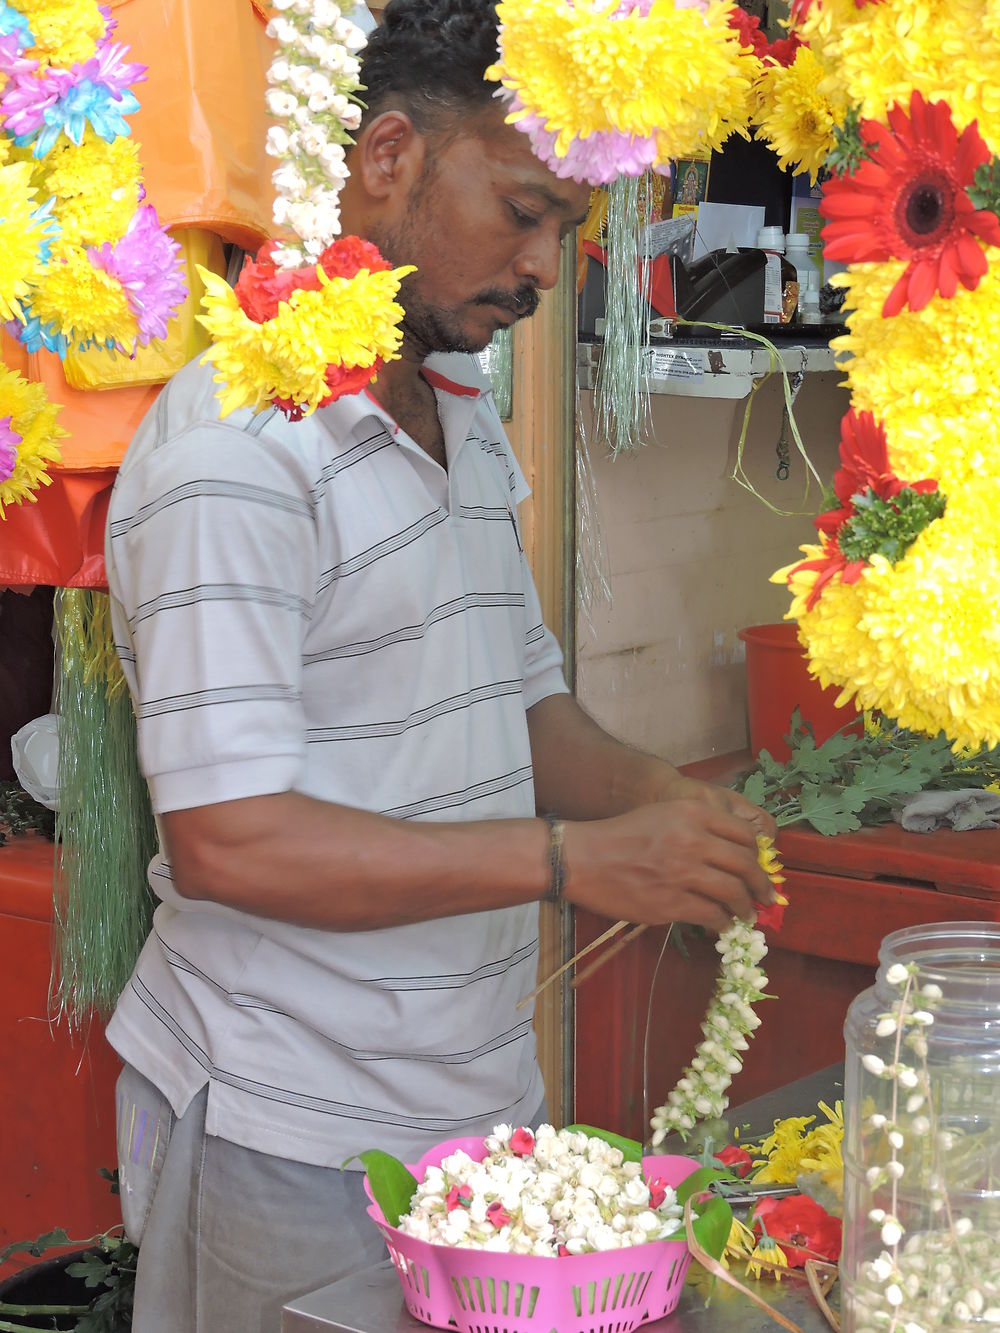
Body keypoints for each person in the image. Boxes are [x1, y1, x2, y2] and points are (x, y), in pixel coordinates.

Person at [103, 1, 776, 1328]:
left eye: (565, 233)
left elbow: (518, 702)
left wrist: (659, 797)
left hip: (470, 1102)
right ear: (388, 154)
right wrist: (576, 862)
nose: (541, 266)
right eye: (522, 209)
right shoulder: (236, 446)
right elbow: (233, 839)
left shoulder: (455, 402)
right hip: (289, 1124)